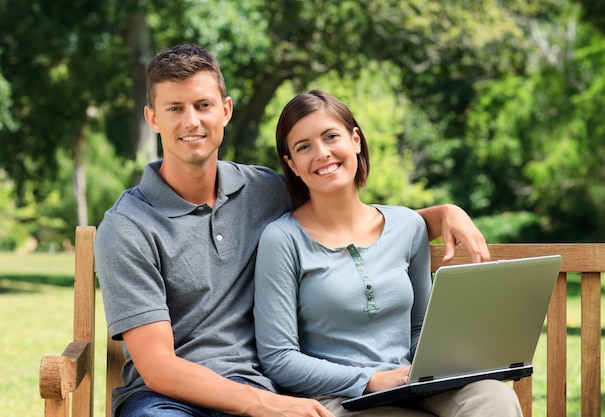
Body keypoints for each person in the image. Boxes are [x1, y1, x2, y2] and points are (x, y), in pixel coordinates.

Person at [94, 43, 490, 417]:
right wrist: (264, 405)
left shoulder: (265, 191)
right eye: (175, 108)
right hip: (169, 400)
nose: (191, 121)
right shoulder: (128, 226)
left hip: (260, 385)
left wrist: (442, 214)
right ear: (152, 118)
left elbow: (348, 221)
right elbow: (159, 367)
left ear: (226, 110)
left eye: (203, 105)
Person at [253, 90, 523, 417]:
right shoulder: (282, 239)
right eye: (304, 147)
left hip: (413, 382)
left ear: (355, 140)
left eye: (330, 137)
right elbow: (279, 357)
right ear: (291, 165)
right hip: (342, 397)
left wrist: (451, 361)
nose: (322, 153)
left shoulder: (407, 225)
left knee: (493, 397)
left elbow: (419, 329)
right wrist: (371, 379)